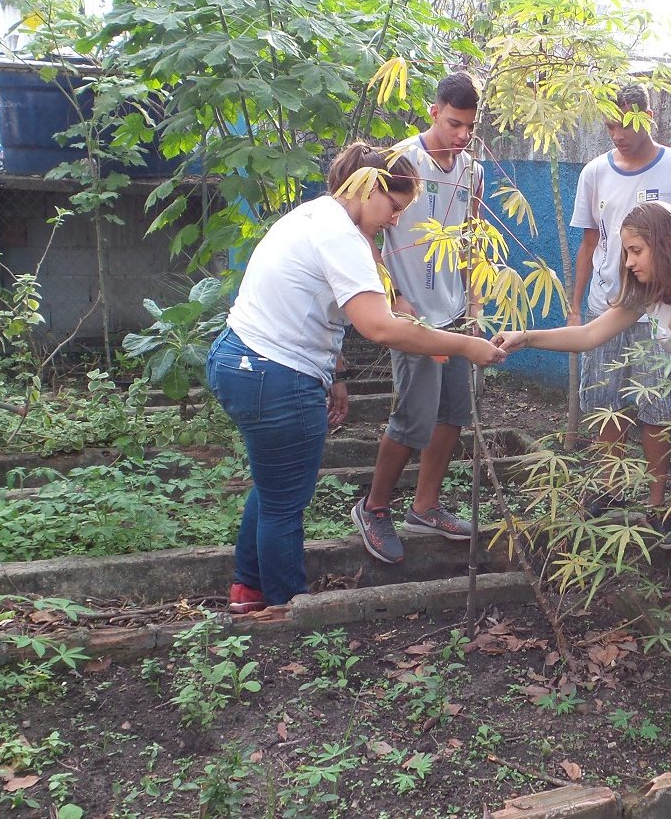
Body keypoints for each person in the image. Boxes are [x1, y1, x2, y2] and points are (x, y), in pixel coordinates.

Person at [209, 142, 506, 613]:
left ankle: (249, 590)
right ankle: (290, 608)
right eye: (394, 207)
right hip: (275, 375)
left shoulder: (318, 217)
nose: (394, 220)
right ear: (369, 187)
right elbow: (379, 326)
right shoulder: (340, 236)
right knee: (286, 502)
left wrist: (337, 374)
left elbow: (314, 308)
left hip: (244, 360)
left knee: (273, 488)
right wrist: (465, 345)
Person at [496, 201, 671, 664]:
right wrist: (525, 337)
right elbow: (591, 335)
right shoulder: (648, 291)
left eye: (635, 250)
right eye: (626, 252)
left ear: (665, 244)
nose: (628, 262)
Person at [353, 72, 485, 565]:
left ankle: (425, 506)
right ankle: (375, 507)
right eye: (453, 123)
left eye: (469, 127)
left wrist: (474, 305)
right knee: (412, 416)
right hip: (410, 315)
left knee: (453, 413)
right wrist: (396, 297)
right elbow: (369, 235)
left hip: (454, 313)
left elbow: (475, 235)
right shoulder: (398, 162)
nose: (461, 135)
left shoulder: (471, 168)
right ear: (433, 112)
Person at [569, 83, 671, 545]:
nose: (618, 134)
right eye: (609, 124)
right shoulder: (594, 173)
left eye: (627, 122)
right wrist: (574, 307)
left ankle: (656, 503)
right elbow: (589, 243)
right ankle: (611, 488)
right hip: (607, 307)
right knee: (606, 404)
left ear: (649, 114)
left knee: (657, 410)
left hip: (660, 314)